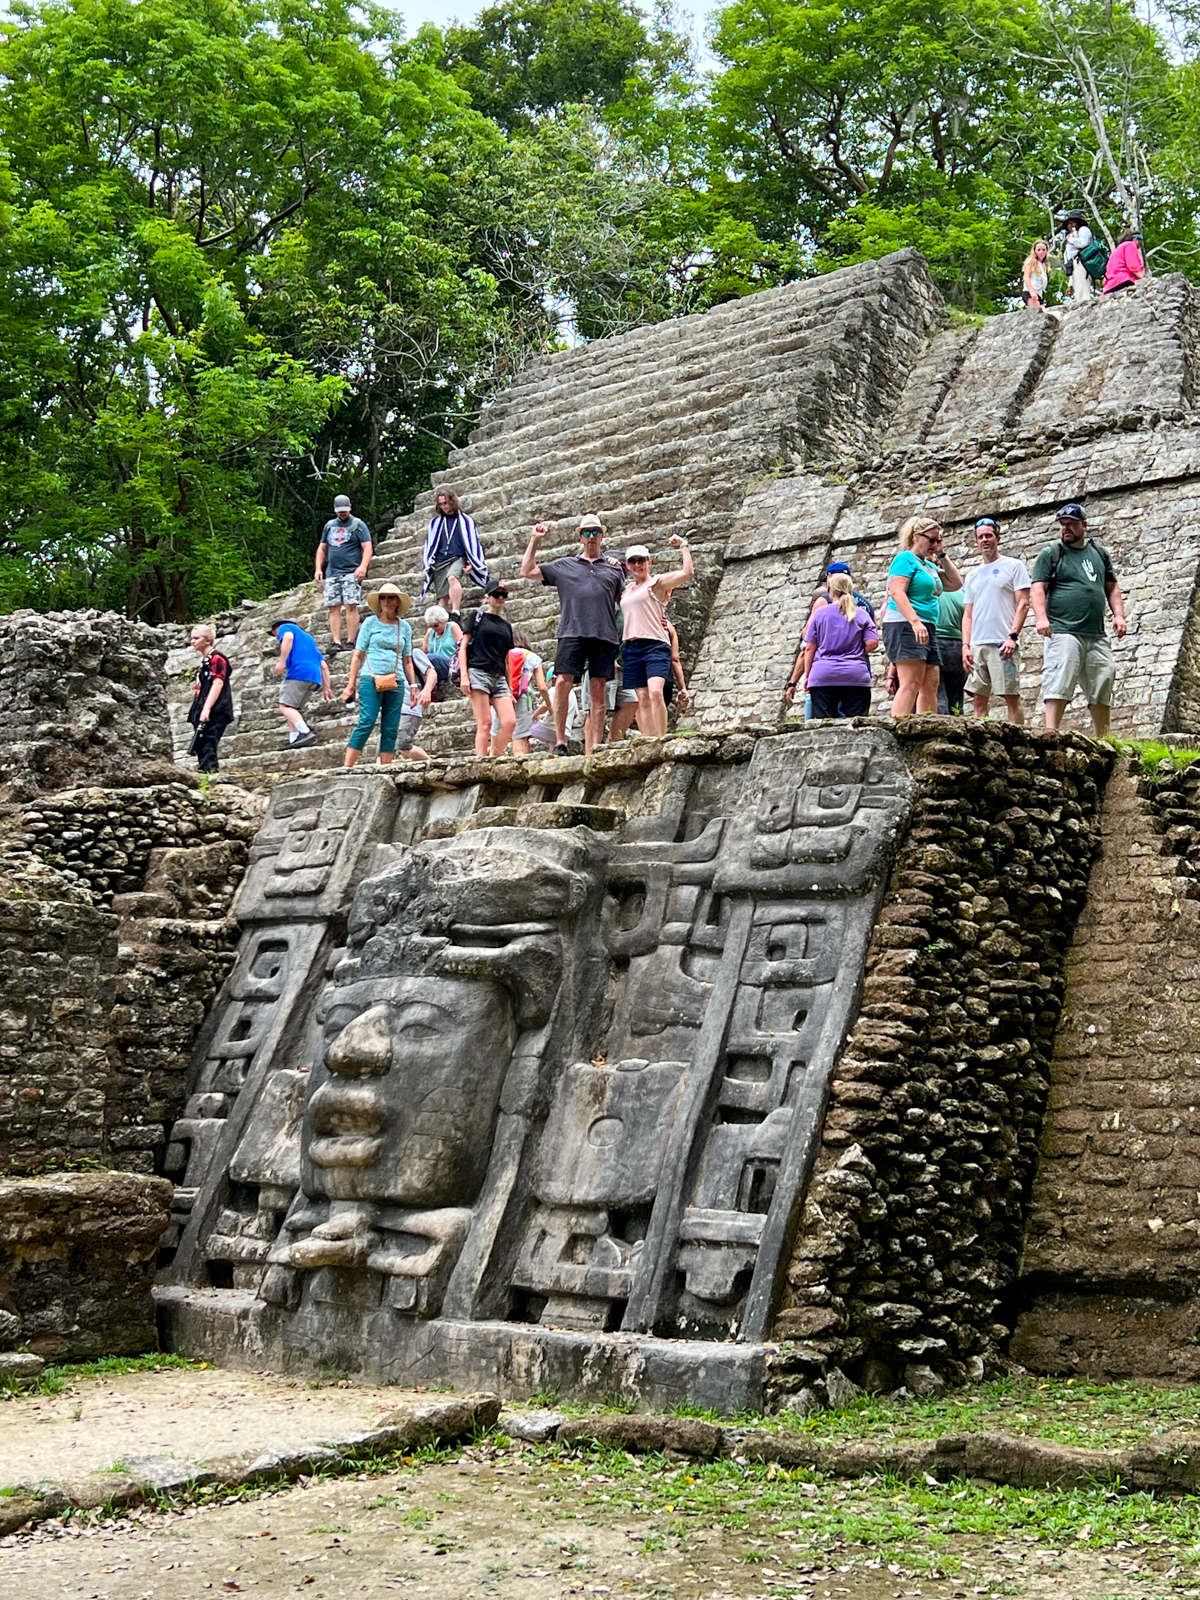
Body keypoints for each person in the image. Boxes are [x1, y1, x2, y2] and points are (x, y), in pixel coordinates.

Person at [520, 515, 626, 756]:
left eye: (595, 532)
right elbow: (527, 571)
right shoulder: (564, 565)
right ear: (580, 536)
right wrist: (535, 540)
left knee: (598, 688)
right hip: (572, 631)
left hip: (604, 634)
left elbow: (623, 601)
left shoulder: (614, 569)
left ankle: (595, 746)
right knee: (562, 682)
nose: (591, 537)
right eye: (587, 533)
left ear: (602, 535)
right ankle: (560, 741)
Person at [1030, 502, 1127, 737]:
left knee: (1104, 678)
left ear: (1084, 524)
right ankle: (1051, 733)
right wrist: (1041, 618)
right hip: (1063, 629)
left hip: (1095, 632)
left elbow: (1112, 588)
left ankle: (1104, 738)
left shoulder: (1100, 554)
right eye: (1063, 525)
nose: (1066, 529)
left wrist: (1119, 615)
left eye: (1071, 524)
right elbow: (1037, 588)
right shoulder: (1051, 554)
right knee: (1060, 677)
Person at [881, 516, 963, 717]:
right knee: (911, 681)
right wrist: (915, 622)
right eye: (931, 540)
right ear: (917, 536)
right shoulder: (904, 560)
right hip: (905, 625)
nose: (935, 545)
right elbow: (897, 592)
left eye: (938, 540)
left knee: (931, 681)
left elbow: (955, 583)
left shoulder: (929, 565)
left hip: (928, 625)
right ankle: (898, 727)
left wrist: (942, 554)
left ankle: (926, 725)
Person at [619, 536, 694, 737]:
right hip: (632, 646)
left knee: (654, 691)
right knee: (641, 698)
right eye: (633, 561)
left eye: (641, 560)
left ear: (649, 562)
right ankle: (648, 738)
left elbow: (687, 572)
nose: (637, 565)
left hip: (654, 644)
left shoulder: (656, 583)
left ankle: (661, 738)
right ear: (628, 565)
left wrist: (684, 545)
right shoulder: (626, 591)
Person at [962, 516, 1031, 724]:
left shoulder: (1014, 566)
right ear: (976, 542)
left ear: (997, 538)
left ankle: (1018, 741)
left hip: (1003, 642)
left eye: (989, 536)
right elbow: (968, 614)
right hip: (977, 644)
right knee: (978, 699)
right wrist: (965, 645)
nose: (985, 540)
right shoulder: (972, 576)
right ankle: (979, 742)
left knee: (1010, 696)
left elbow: (1023, 603)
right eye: (980, 537)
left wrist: (1013, 636)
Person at [340, 584, 418, 766]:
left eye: (391, 598)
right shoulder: (370, 623)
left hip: (396, 678)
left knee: (391, 726)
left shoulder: (404, 627)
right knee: (367, 719)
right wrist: (351, 683)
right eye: (384, 598)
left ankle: (386, 766)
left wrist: (413, 685)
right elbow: (358, 654)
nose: (387, 602)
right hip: (371, 676)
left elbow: (407, 659)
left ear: (397, 602)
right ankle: (347, 766)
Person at [785, 573, 879, 718]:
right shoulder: (861, 614)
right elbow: (873, 643)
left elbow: (810, 648)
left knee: (824, 727)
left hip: (823, 676)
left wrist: (808, 676)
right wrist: (855, 651)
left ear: (831, 591)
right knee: (856, 727)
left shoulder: (819, 614)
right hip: (855, 676)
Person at [459, 580, 516, 757]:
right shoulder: (477, 617)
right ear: (487, 597)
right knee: (485, 722)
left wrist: (510, 687)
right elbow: (463, 646)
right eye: (496, 594)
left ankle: (494, 757)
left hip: (498, 675)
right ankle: (481, 761)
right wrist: (464, 676)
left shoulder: (506, 626)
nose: (500, 598)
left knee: (510, 722)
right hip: (478, 671)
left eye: (503, 595)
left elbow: (506, 659)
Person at [315, 494, 372, 654]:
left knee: (350, 605)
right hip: (332, 572)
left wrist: (363, 566)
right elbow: (322, 548)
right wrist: (318, 568)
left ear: (350, 508)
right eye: (340, 511)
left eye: (345, 511)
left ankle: (351, 640)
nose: (343, 514)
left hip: (351, 571)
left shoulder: (357, 525)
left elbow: (367, 547)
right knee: (333, 607)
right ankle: (336, 641)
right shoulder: (329, 526)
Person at [421, 489, 488, 618]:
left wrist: (472, 561)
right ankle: (443, 622)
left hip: (457, 557)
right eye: (441, 504)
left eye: (446, 503)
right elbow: (430, 544)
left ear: (452, 501)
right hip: (440, 560)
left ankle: (456, 612)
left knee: (452, 577)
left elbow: (473, 542)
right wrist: (430, 561)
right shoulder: (435, 523)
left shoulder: (465, 521)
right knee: (442, 597)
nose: (444, 506)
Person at [272, 618, 334, 749]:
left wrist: (282, 662)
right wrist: (327, 688)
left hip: (298, 672)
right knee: (292, 708)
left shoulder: (285, 628)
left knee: (285, 706)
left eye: (276, 635)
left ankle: (305, 732)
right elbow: (323, 665)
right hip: (314, 677)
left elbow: (288, 638)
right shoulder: (308, 639)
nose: (278, 638)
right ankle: (294, 739)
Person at [492, 629, 553, 757]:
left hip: (500, 697)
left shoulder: (500, 654)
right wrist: (549, 704)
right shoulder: (531, 657)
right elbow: (542, 687)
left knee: (495, 747)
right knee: (519, 743)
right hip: (522, 699)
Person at [187, 624, 234, 775]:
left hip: (216, 708)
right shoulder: (206, 661)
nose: (192, 641)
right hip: (204, 705)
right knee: (201, 742)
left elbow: (218, 682)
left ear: (208, 640)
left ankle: (210, 772)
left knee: (209, 741)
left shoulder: (217, 659)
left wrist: (207, 708)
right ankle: (205, 771)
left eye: (196, 638)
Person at [935, 585, 967, 715]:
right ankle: (958, 725)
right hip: (957, 645)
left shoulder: (929, 592)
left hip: (934, 642)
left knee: (937, 692)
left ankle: (941, 728)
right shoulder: (962, 594)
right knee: (956, 694)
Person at [422, 605, 462, 682]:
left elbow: (462, 646)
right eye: (431, 626)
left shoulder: (452, 627)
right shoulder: (430, 632)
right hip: (433, 667)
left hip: (451, 664)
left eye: (436, 625)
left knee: (431, 657)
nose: (434, 628)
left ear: (444, 621)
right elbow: (423, 652)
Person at [1063, 213, 1095, 306]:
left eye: (1073, 222)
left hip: (1082, 261)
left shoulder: (1083, 230)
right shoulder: (1072, 235)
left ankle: (1085, 305)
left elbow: (1083, 243)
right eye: (1069, 223)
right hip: (1075, 263)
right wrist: (1070, 284)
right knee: (1079, 288)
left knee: (1083, 289)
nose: (1071, 225)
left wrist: (1071, 240)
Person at [1103, 231, 1146, 295]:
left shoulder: (1118, 249)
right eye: (1140, 241)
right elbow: (1133, 266)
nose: (1140, 245)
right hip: (1123, 280)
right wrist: (1144, 279)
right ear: (1136, 240)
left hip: (1111, 285)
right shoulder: (1130, 245)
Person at [1022, 240, 1050, 310]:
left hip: (1038, 294)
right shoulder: (1031, 261)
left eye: (1043, 250)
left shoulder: (1043, 265)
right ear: (1035, 251)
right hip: (1030, 292)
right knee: (1037, 312)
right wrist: (1032, 292)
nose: (1041, 252)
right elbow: (1026, 277)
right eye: (1039, 250)